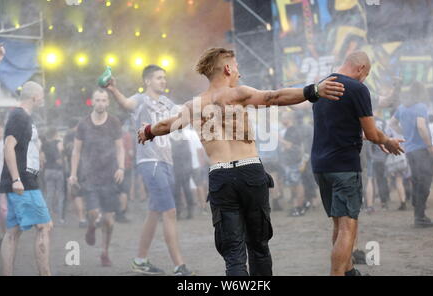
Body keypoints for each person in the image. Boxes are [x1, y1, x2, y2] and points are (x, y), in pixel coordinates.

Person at [137, 47, 345, 276]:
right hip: (250, 173)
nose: (239, 73)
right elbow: (274, 97)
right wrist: (314, 90)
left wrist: (148, 131)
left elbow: (167, 125)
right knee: (259, 247)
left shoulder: (193, 106)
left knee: (234, 255)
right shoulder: (237, 94)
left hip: (221, 177)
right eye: (236, 67)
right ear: (227, 68)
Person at [311, 51, 404, 276]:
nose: (365, 80)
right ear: (361, 68)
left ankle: (350, 271)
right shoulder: (357, 88)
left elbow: (340, 128)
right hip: (343, 166)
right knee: (347, 226)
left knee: (338, 223)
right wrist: (387, 141)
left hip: (321, 165)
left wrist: (370, 136)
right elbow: (371, 133)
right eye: (367, 74)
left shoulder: (322, 86)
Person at [106, 65, 194, 276]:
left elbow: (184, 115)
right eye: (158, 78)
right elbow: (126, 103)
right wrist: (114, 90)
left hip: (166, 162)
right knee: (170, 212)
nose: (163, 81)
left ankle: (140, 260)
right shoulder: (140, 99)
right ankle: (179, 266)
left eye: (164, 77)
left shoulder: (166, 102)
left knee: (154, 213)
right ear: (147, 81)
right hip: (150, 162)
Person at [0, 81, 52, 276]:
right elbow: (8, 146)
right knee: (44, 226)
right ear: (35, 97)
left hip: (23, 180)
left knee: (12, 231)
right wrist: (16, 179)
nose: (43, 99)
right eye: (42, 95)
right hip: (23, 182)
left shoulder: (22, 116)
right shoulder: (19, 116)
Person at [69, 89, 125, 267]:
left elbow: (120, 148)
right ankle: (92, 225)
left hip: (110, 176)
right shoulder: (83, 124)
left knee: (109, 221)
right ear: (92, 102)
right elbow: (76, 151)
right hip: (90, 176)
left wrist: (121, 168)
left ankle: (104, 253)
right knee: (94, 213)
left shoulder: (114, 122)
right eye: (97, 100)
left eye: (103, 100)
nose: (100, 103)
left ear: (108, 102)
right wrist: (72, 174)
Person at [390, 82, 433, 228]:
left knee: (417, 182)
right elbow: (421, 127)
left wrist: (404, 133)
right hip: (422, 150)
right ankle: (420, 217)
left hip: (410, 150)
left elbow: (392, 123)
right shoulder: (421, 107)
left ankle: (419, 215)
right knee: (424, 184)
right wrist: (430, 146)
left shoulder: (402, 107)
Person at [63, 118, 87, 228]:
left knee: (77, 194)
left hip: (72, 167)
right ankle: (92, 217)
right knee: (85, 192)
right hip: (84, 166)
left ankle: (82, 219)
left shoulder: (66, 137)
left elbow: (65, 152)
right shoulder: (80, 135)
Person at [41, 127, 65, 224]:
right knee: (60, 194)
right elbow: (61, 151)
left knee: (49, 193)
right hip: (57, 170)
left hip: (47, 170)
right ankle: (61, 218)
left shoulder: (44, 144)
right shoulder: (58, 142)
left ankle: (47, 217)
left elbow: (42, 158)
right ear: (55, 134)